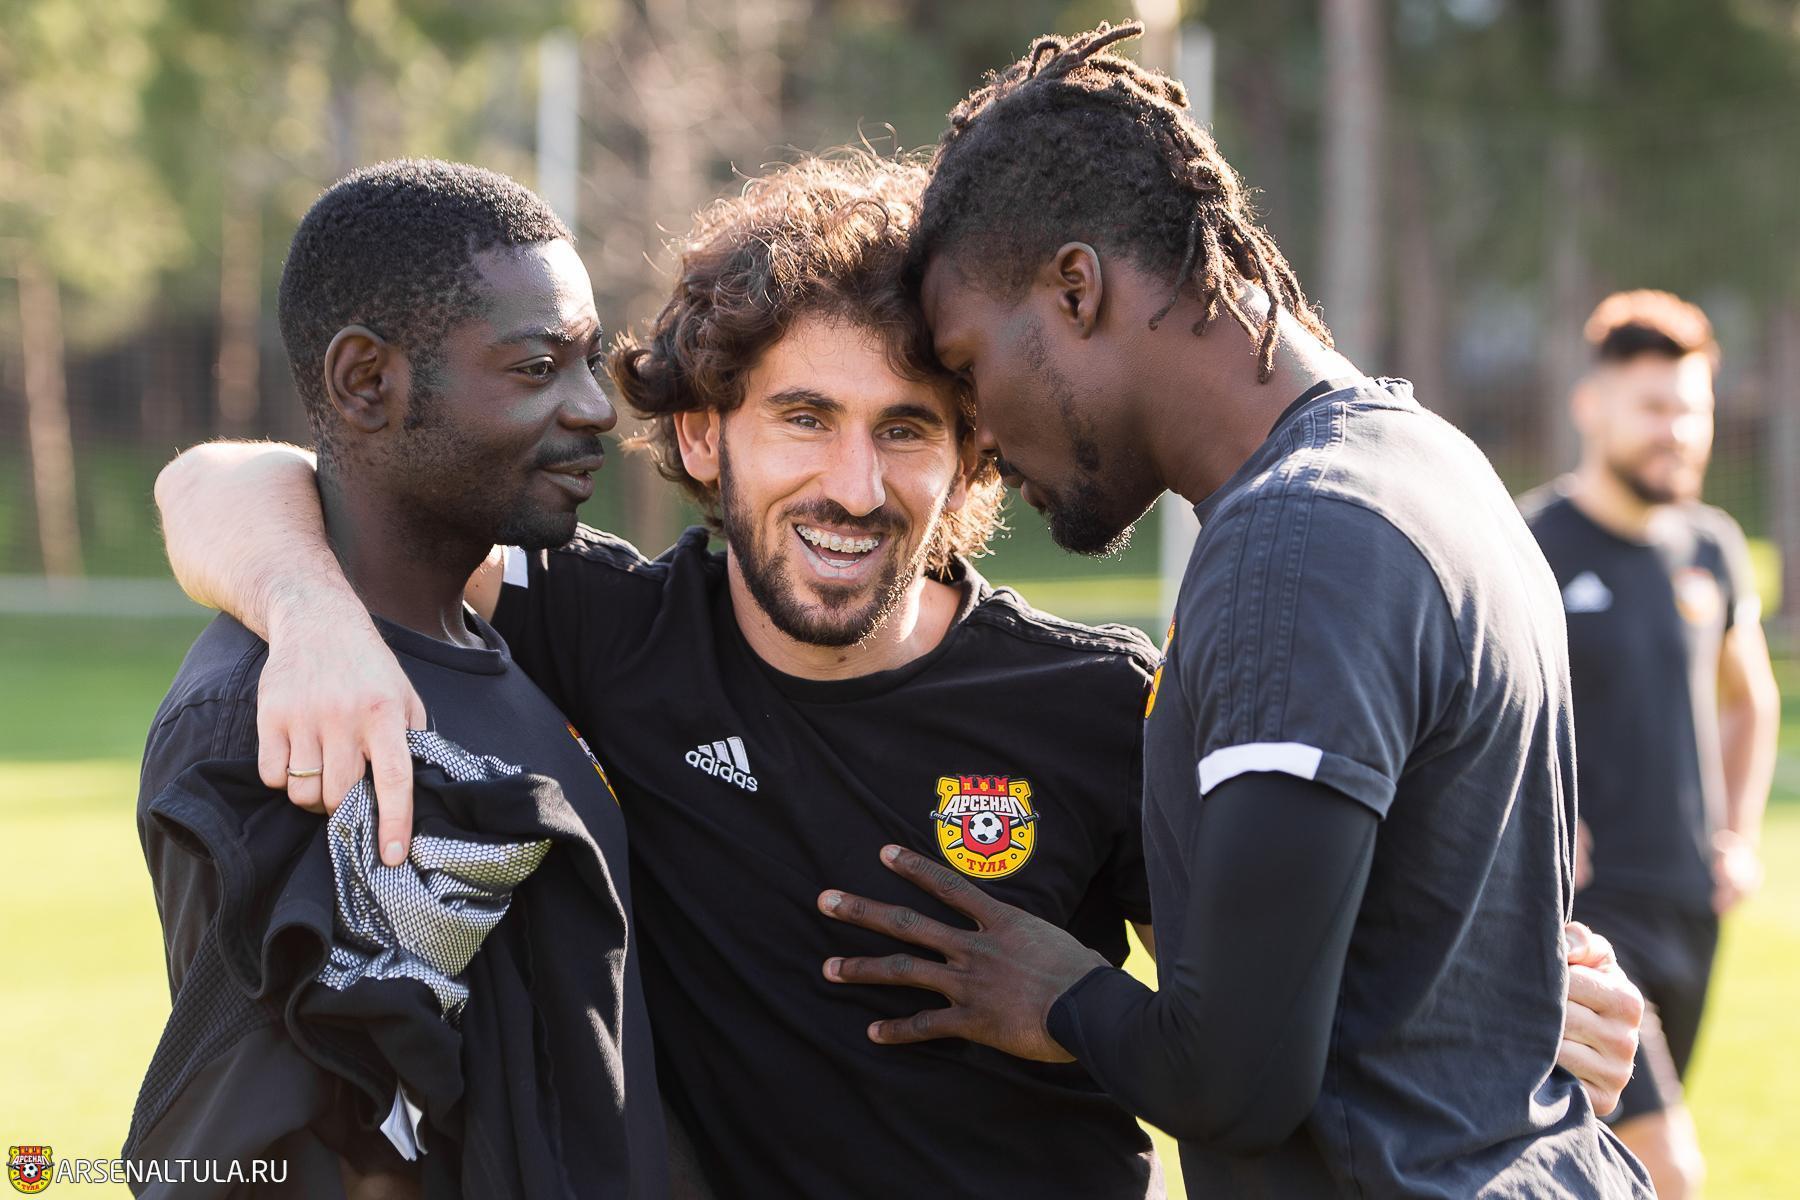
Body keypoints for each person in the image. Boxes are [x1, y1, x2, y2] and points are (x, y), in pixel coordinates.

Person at [155, 154, 1642, 1198]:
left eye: (909, 429)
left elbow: (1291, 977)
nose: (855, 486)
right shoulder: (610, 634)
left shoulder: (1100, 706)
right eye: (804, 417)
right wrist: (309, 611)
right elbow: (228, 480)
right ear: (702, 436)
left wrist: (1532, 994)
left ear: (974, 456)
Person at [815, 23, 1653, 1198]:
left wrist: (1059, 991)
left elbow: (1240, 1081)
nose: (981, 435)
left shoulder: (1297, 544)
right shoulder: (1428, 462)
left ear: (1075, 289)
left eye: (968, 367)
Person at [133, 160, 666, 1197]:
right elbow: (273, 1156)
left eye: (590, 360)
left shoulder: (506, 634)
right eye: (538, 367)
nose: (596, 408)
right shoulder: (281, 722)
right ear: (366, 383)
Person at [1520, 290, 1781, 1198]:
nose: (1678, 431)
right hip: (1585, 915)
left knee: (1602, 1168)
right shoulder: (1527, 544)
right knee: (1669, 1171)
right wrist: (1533, 823)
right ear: (1591, 406)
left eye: (1692, 409)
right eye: (1654, 407)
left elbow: (1750, 698)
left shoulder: (1711, 547)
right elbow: (1468, 709)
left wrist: (1737, 834)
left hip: (1690, 909)